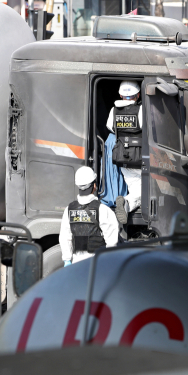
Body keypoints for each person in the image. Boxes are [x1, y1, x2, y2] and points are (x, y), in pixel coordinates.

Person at [59, 166, 118, 266]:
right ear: (94, 186)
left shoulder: (69, 209)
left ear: (78, 186)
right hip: (97, 265)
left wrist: (67, 259)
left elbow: (65, 237)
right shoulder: (103, 210)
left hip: (77, 266)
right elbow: (112, 241)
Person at [106, 80, 143, 224]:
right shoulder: (141, 110)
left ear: (121, 95)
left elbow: (110, 128)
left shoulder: (113, 110)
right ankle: (126, 203)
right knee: (145, 191)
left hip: (122, 157)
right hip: (141, 157)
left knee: (134, 187)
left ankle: (126, 204)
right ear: (138, 95)